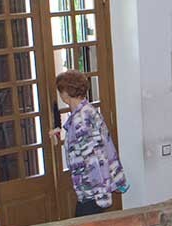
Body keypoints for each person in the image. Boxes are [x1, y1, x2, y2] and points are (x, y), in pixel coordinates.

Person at [49, 70, 127, 217]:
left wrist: (101, 194)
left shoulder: (81, 119)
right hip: (92, 188)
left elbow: (93, 157)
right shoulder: (87, 110)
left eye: (61, 91)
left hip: (91, 189)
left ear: (66, 93)